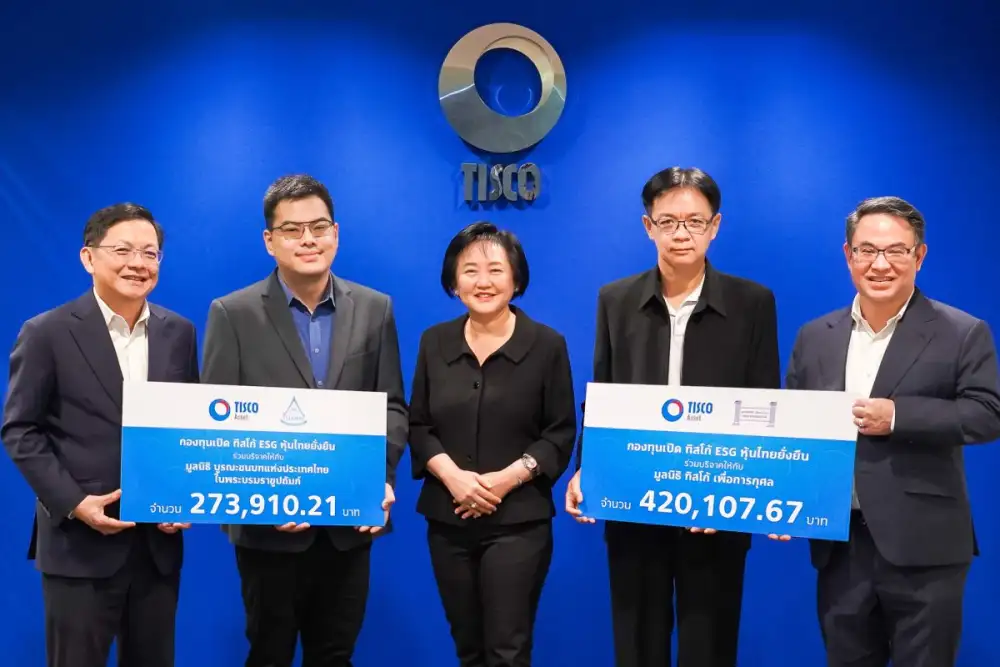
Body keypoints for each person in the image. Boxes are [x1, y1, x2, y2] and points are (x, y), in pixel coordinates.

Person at [564, 167, 781, 667]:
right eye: (668, 221)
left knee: (710, 645)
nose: (681, 233)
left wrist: (745, 486)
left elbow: (764, 403)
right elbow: (602, 396)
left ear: (715, 226)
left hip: (717, 505)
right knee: (638, 643)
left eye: (694, 221)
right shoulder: (616, 300)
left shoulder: (752, 303)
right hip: (634, 497)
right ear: (649, 227)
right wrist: (586, 467)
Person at [782, 196, 1000, 667]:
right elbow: (794, 426)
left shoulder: (962, 332)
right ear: (849, 255)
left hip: (925, 548)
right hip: (840, 547)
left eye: (896, 251)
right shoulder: (814, 336)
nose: (880, 264)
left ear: (919, 256)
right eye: (867, 250)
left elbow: (986, 414)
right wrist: (783, 501)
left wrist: (898, 417)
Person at [200, 173, 407, 667]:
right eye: (292, 230)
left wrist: (378, 477)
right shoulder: (232, 313)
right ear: (269, 241)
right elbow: (216, 421)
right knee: (268, 654)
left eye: (319, 227)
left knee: (335, 655)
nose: (308, 239)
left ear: (336, 233)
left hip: (348, 525)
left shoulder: (375, 308)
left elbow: (392, 407)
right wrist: (260, 499)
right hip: (268, 530)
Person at [1, 203, 199, 667]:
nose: (138, 263)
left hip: (156, 549)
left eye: (150, 253)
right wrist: (73, 502)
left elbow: (187, 426)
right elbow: (20, 429)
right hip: (78, 548)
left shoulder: (179, 332)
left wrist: (182, 496)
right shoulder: (46, 332)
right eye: (123, 250)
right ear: (88, 257)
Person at [408, 222, 577, 667]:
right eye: (470, 270)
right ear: (453, 281)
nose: (483, 281)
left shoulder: (547, 345)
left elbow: (560, 431)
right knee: (468, 649)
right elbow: (418, 424)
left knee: (507, 649)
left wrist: (506, 480)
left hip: (518, 523)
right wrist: (453, 477)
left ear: (516, 279)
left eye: (496, 270)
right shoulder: (434, 341)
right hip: (448, 519)